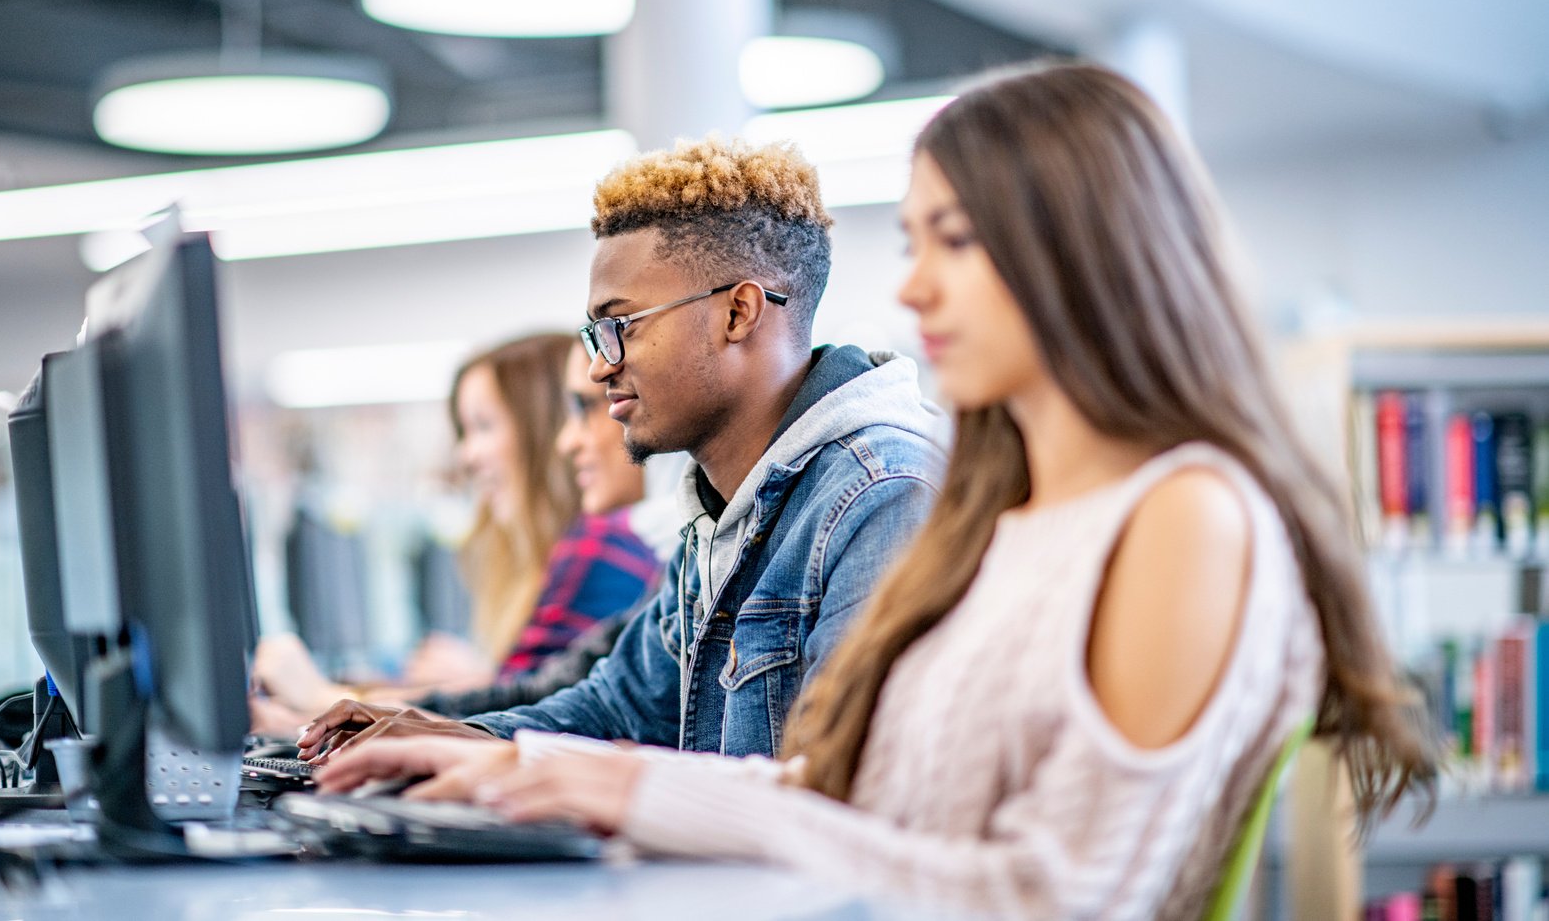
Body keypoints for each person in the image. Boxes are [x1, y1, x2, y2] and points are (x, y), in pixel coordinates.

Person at [315, 63, 1438, 919]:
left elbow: (1051, 897)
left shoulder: (1183, 518)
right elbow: (852, 807)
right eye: (912, 241)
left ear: (1083, 252)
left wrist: (617, 793)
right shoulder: (1003, 518)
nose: (910, 286)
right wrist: (540, 772)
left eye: (954, 241)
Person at [297, 136, 945, 761]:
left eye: (620, 326)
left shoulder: (878, 494)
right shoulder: (719, 513)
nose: (601, 367)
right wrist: (443, 734)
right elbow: (615, 707)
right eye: (594, 334)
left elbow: (842, 794)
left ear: (738, 313)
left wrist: (572, 776)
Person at [253, 334, 660, 723]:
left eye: (483, 426)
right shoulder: (590, 548)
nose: (467, 455)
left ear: (539, 427)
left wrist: (326, 702)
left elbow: (539, 714)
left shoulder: (599, 545)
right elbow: (536, 695)